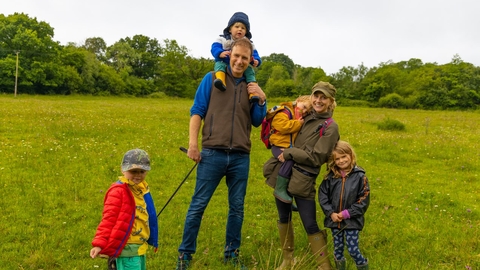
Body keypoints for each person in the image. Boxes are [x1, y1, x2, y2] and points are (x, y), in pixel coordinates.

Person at [176, 37, 267, 270]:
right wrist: (193, 144)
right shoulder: (212, 79)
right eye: (236, 56)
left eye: (244, 58)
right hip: (212, 153)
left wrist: (262, 100)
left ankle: (232, 255)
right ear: (229, 54)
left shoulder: (251, 87)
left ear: (250, 61)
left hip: (240, 157)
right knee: (198, 205)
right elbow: (197, 111)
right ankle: (185, 255)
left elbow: (257, 121)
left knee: (237, 208)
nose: (239, 61)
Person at [263, 81, 340, 270]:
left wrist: (290, 153)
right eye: (316, 96)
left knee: (310, 224)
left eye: (323, 97)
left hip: (303, 179)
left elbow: (316, 158)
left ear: (331, 101)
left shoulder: (330, 127)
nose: (318, 100)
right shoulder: (304, 117)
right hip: (283, 174)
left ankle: (324, 266)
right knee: (283, 217)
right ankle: (288, 260)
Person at [90, 148, 158, 270]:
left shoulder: (141, 189)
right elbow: (108, 219)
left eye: (142, 171)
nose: (138, 175)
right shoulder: (118, 192)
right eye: (133, 171)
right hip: (126, 248)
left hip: (139, 246)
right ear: (123, 169)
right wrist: (99, 244)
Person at [319, 140, 370, 270]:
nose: (341, 161)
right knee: (338, 249)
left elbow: (364, 199)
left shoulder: (360, 176)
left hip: (351, 221)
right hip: (335, 221)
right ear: (333, 161)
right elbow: (323, 196)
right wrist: (331, 213)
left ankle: (363, 267)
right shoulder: (330, 178)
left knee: (353, 249)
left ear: (351, 155)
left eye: (344, 156)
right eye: (337, 159)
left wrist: (347, 213)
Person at [267, 95, 312, 203]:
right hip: (278, 145)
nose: (303, 111)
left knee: (292, 167)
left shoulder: (296, 115)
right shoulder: (285, 111)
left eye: (306, 111)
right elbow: (281, 126)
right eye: (304, 106)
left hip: (287, 147)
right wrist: (298, 123)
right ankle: (280, 189)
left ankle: (286, 196)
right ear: (298, 100)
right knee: (289, 160)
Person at [211, 11, 262, 103]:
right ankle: (220, 81)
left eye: (243, 28)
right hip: (225, 61)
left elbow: (255, 54)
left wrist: (257, 61)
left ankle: (253, 93)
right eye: (237, 27)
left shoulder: (249, 43)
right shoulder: (223, 39)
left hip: (242, 66)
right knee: (219, 65)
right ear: (230, 29)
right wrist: (219, 53)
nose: (240, 29)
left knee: (250, 72)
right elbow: (214, 47)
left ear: (246, 32)